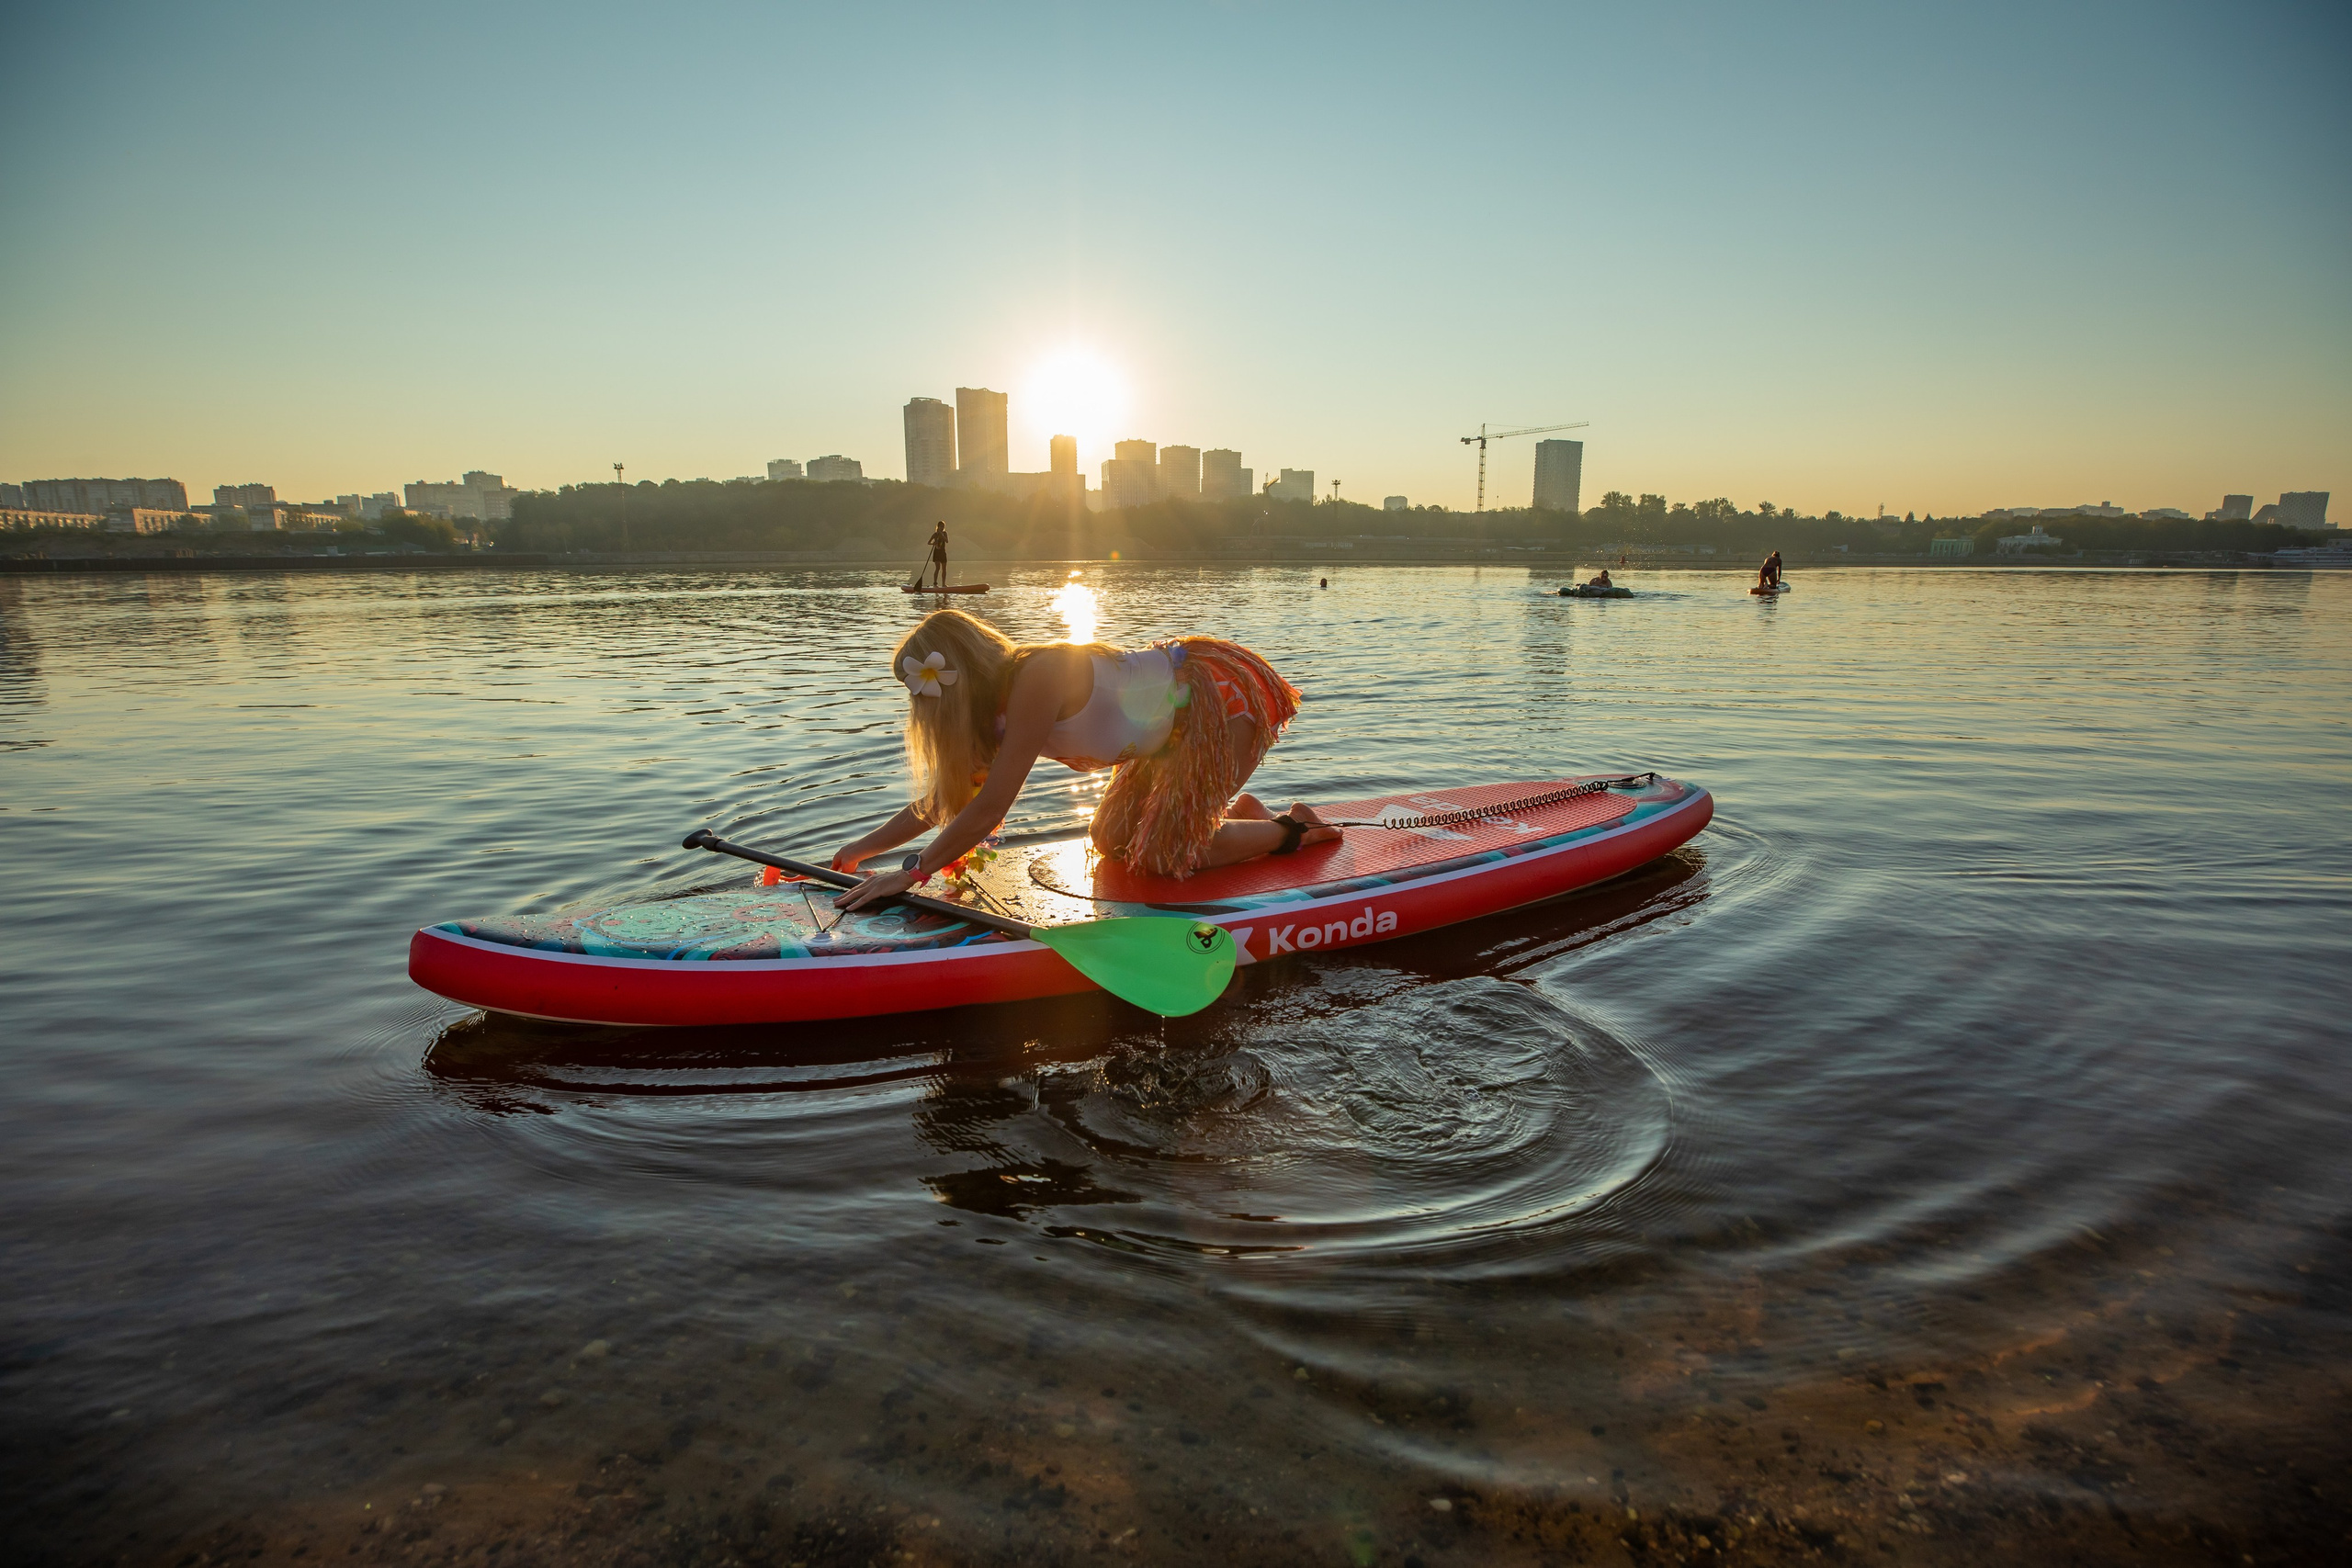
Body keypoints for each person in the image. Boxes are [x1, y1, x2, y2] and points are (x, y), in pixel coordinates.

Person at [832, 609, 1340, 910]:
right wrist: (857, 852)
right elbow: (945, 801)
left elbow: (988, 808)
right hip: (1162, 738)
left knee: (1165, 855)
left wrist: (913, 873)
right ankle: (1237, 815)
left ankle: (1290, 828)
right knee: (1112, 839)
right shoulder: (997, 718)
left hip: (1218, 704)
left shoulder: (1039, 676)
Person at [925, 521, 950, 589]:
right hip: (937, 553)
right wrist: (934, 543)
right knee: (938, 568)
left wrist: (941, 535)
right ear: (938, 527)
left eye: (943, 527)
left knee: (944, 569)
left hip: (943, 553)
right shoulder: (935, 535)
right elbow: (928, 542)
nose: (942, 528)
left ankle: (943, 584)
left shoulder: (945, 533)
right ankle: (935, 584)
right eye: (941, 526)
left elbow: (947, 541)